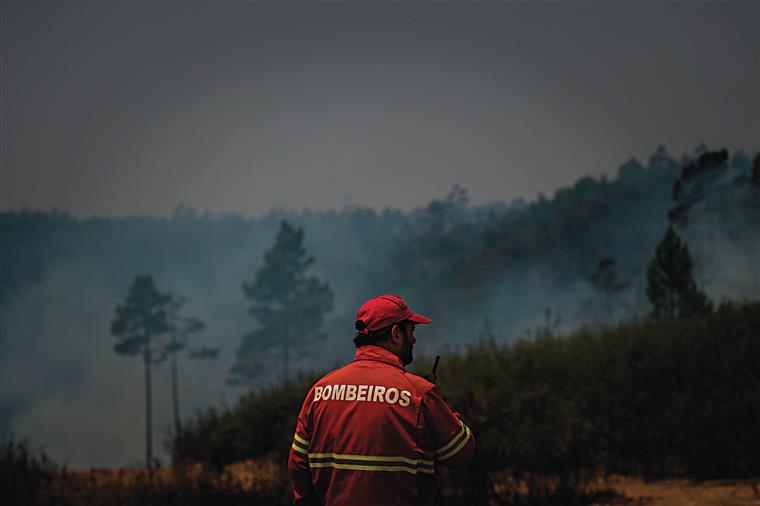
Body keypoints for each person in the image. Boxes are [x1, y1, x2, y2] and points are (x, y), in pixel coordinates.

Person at [288, 294, 475, 505]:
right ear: (396, 334)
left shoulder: (319, 391)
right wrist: (440, 405)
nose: (413, 339)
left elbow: (298, 464)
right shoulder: (419, 393)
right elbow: (462, 453)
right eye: (411, 331)